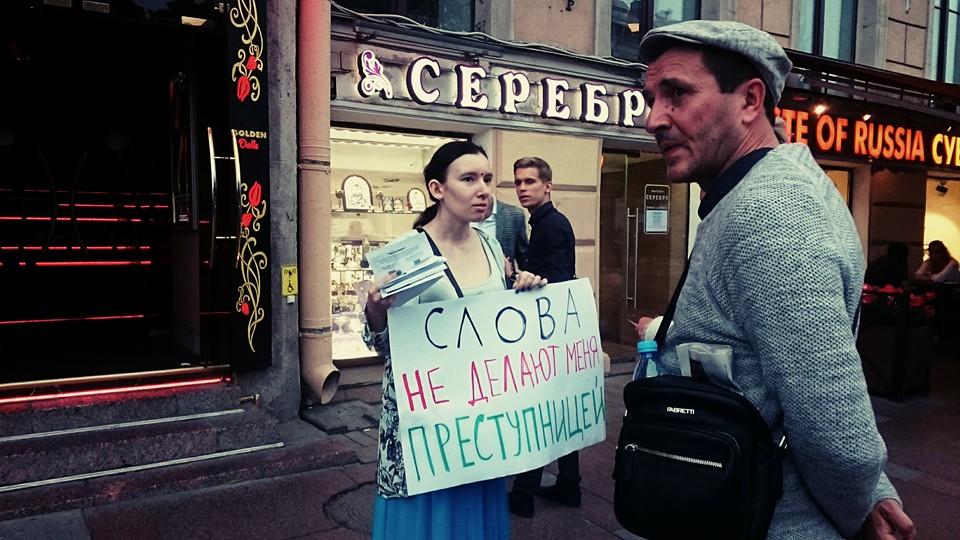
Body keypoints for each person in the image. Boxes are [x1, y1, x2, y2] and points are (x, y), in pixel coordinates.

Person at [637, 20, 915, 539]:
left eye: (677, 94)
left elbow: (834, 420)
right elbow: (763, 355)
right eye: (650, 97)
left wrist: (863, 504)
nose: (654, 119)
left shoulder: (770, 210)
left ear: (749, 100)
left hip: (764, 520)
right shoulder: (752, 192)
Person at [362, 141, 547, 540]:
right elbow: (381, 346)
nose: (483, 189)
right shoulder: (406, 252)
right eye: (468, 179)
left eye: (486, 179)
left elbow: (497, 326)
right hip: (424, 427)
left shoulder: (491, 244)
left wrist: (525, 292)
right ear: (437, 189)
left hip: (476, 424)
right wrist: (377, 311)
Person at [507, 156, 579, 518]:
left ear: (548, 186)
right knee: (561, 408)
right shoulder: (546, 223)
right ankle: (570, 486)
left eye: (530, 182)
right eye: (518, 182)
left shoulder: (550, 226)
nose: (522, 188)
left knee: (541, 411)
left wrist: (516, 278)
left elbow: (557, 279)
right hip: (556, 329)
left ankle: (523, 493)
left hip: (549, 331)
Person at [472, 195, 528, 276]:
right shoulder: (457, 216)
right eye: (468, 181)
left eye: (486, 181)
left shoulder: (514, 216)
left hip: (502, 286)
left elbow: (524, 260)